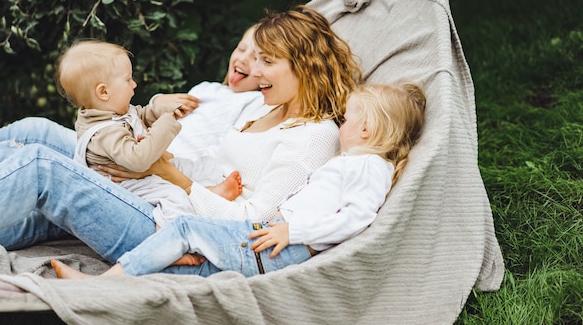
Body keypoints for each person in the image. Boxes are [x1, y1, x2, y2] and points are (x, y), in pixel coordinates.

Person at [0, 4, 363, 265]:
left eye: (267, 62)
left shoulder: (313, 136)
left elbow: (252, 222)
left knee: (40, 166)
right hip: (157, 193)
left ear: (305, 67)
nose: (254, 72)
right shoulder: (263, 106)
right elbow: (207, 166)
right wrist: (152, 168)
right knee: (34, 170)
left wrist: (166, 174)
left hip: (169, 227)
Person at [51, 82, 427, 279]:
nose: (340, 125)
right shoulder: (356, 162)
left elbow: (358, 218)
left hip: (281, 246)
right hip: (273, 239)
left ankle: (105, 284)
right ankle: (119, 285)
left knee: (185, 227)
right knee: (191, 263)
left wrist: (291, 231)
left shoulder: (368, 166)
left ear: (367, 128)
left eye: (346, 119)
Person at [0, 24, 264, 166]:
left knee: (33, 146)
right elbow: (138, 113)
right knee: (28, 133)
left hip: (149, 163)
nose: (242, 59)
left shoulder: (256, 103)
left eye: (260, 57)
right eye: (241, 48)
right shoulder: (208, 90)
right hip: (122, 143)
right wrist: (159, 103)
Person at [54, 40, 241, 227]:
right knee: (173, 198)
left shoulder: (114, 112)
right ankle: (168, 239)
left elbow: (140, 114)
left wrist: (164, 109)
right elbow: (138, 159)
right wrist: (166, 122)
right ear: (104, 92)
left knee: (188, 166)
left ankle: (208, 191)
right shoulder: (104, 133)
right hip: (125, 186)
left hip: (140, 174)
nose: (134, 84)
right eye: (127, 79)